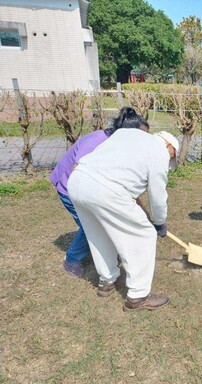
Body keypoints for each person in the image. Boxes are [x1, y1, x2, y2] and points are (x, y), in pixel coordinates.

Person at [67, 128, 179, 312]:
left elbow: (123, 178)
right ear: (168, 144)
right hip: (104, 190)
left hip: (78, 181)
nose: (169, 161)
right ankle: (138, 296)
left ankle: (107, 280)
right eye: (172, 156)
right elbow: (157, 196)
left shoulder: (127, 133)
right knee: (145, 234)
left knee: (98, 233)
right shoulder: (159, 152)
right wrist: (159, 223)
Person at [50, 107, 149, 278]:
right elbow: (77, 173)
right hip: (70, 188)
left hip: (89, 188)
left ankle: (108, 249)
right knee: (91, 224)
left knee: (100, 221)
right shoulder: (98, 140)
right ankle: (72, 260)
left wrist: (144, 212)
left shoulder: (121, 148)